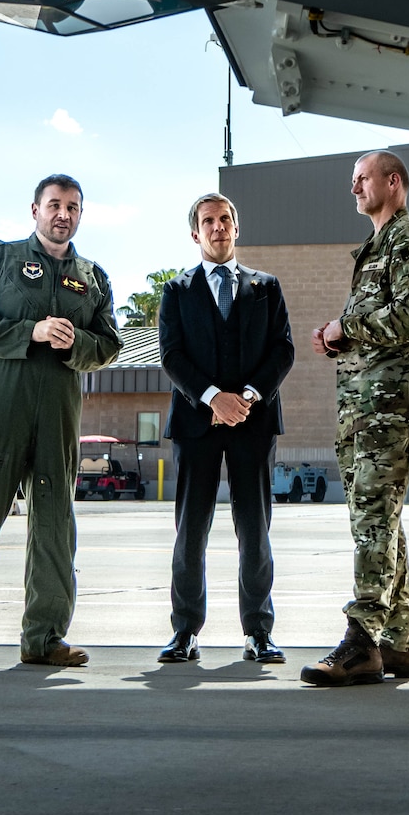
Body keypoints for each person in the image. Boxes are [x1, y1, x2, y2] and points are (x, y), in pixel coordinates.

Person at [0, 174, 120, 669]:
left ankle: (44, 638)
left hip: (58, 410)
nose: (64, 214)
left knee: (55, 526)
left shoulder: (93, 276)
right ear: (34, 210)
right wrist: (31, 331)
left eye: (73, 207)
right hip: (1, 405)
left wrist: (76, 344)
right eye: (55, 205)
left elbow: (108, 344)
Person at [300, 152, 409, 688]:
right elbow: (372, 326)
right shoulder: (376, 246)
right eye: (352, 180)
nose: (354, 187)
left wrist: (347, 326)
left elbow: (407, 318)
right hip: (363, 407)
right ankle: (400, 645)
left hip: (386, 406)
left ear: (394, 181)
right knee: (384, 521)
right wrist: (337, 335)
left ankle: (361, 642)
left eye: (363, 178)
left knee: (372, 522)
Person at [157, 193, 295, 664]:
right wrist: (215, 398)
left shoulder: (267, 287)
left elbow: (283, 351)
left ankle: (258, 632)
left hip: (253, 425)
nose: (218, 227)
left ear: (237, 227)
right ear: (195, 233)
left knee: (254, 530)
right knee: (190, 532)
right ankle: (185, 633)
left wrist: (248, 399)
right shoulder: (176, 291)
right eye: (208, 221)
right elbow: (172, 356)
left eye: (225, 219)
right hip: (197, 425)